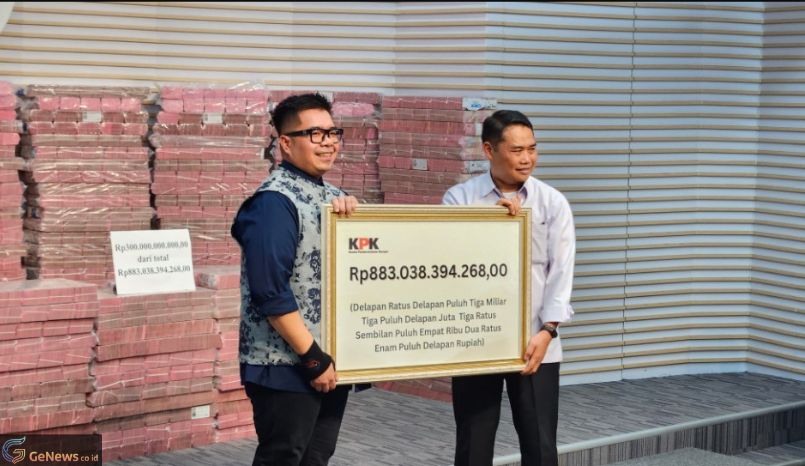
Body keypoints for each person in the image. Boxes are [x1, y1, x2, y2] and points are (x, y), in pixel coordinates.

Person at [231, 93, 359, 466]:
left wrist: (356, 219)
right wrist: (313, 358)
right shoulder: (273, 203)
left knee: (316, 457)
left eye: (333, 132)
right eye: (315, 134)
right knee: (284, 457)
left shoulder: (334, 197)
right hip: (287, 364)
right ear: (286, 143)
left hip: (329, 359)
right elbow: (270, 291)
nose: (328, 142)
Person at [443, 110, 575, 466]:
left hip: (536, 341)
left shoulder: (552, 202)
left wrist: (548, 331)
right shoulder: (459, 199)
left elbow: (561, 273)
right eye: (517, 150)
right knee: (473, 442)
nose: (527, 158)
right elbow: (450, 267)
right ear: (489, 150)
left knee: (540, 444)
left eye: (532, 149)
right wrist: (497, 230)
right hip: (476, 338)